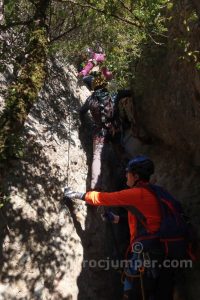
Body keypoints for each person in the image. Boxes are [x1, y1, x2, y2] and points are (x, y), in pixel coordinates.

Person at [64, 155, 193, 299]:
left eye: (128, 172)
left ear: (136, 176)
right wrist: (117, 219)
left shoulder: (137, 194)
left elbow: (104, 198)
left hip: (148, 254)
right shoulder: (154, 191)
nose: (126, 175)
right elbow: (147, 220)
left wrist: (78, 194)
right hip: (161, 252)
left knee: (136, 292)